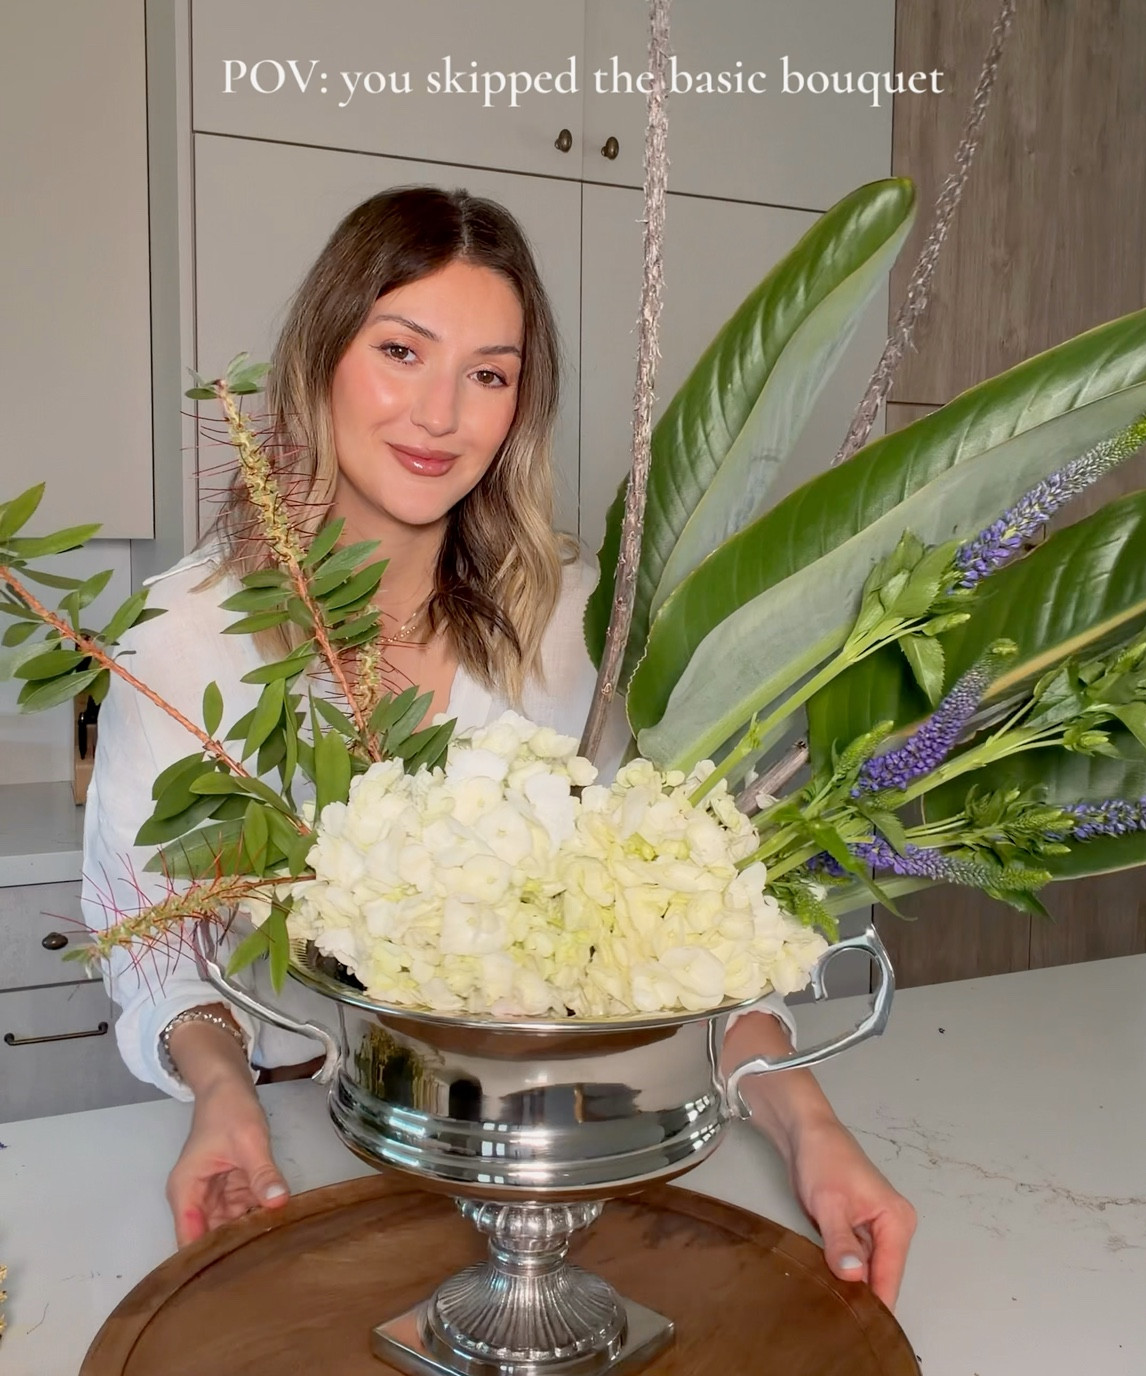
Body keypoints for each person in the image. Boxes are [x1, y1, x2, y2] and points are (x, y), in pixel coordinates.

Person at [82, 185, 916, 1308]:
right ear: (321, 357)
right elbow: (146, 939)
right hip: (287, 1156)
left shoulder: (582, 632)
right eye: (401, 350)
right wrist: (224, 1089)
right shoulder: (183, 641)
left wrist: (808, 1125)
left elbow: (676, 919)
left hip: (545, 1166)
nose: (440, 414)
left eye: (489, 373)